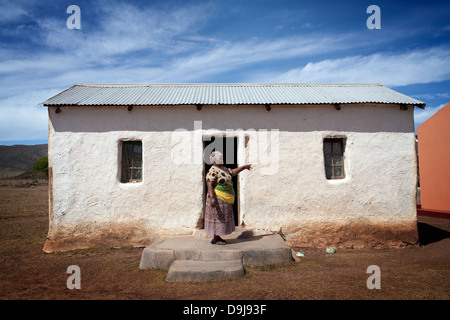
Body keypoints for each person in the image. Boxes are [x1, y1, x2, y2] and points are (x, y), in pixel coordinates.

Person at [205, 151, 252, 245]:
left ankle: (218, 237)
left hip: (225, 198)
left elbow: (232, 172)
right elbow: (210, 184)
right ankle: (216, 238)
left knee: (222, 218)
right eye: (219, 158)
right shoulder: (212, 170)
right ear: (214, 160)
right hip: (218, 198)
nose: (221, 160)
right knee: (217, 218)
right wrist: (212, 198)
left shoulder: (223, 169)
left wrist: (243, 167)